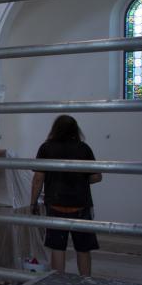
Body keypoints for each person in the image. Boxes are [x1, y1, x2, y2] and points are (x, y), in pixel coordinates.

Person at [30, 115, 102, 276]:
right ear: (76, 130)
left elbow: (38, 179)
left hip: (55, 204)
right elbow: (97, 176)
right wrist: (81, 179)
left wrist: (33, 203)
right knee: (83, 248)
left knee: (57, 247)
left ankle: (58, 283)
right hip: (81, 205)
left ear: (55, 129)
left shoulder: (46, 148)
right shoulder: (84, 148)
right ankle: (85, 282)